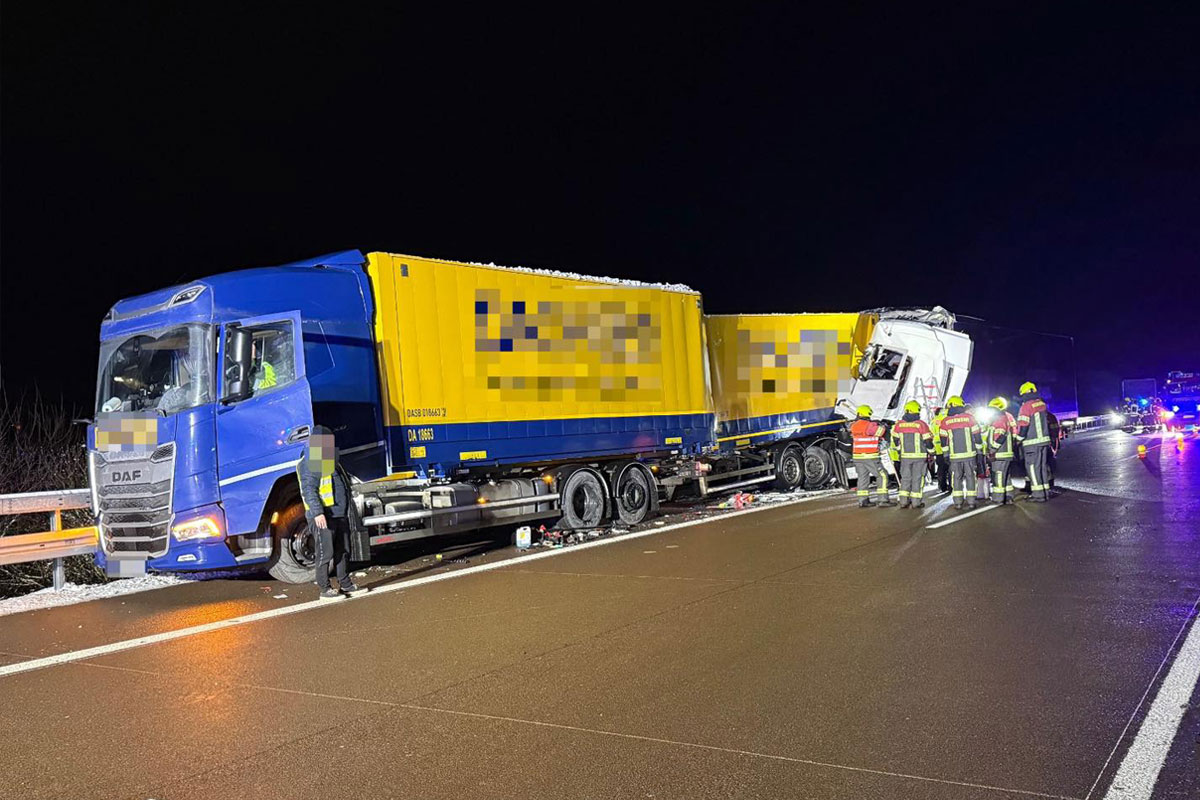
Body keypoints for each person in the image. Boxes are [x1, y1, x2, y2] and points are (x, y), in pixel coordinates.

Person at [296, 425, 362, 598]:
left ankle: (345, 583)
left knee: (343, 550)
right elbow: (309, 489)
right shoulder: (310, 461)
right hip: (324, 515)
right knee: (325, 553)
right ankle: (325, 589)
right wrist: (318, 513)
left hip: (339, 513)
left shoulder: (330, 459)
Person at [937, 395, 982, 509]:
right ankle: (971, 501)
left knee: (956, 478)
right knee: (971, 477)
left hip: (954, 456)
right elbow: (977, 436)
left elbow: (943, 441)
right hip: (970, 455)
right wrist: (979, 451)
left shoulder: (945, 421)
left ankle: (957, 502)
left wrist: (946, 455)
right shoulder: (970, 418)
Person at [890, 400, 933, 508]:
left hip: (905, 457)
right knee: (917, 479)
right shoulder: (921, 425)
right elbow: (928, 441)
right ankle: (916, 503)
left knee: (905, 479)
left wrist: (900, 450)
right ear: (917, 411)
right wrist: (932, 452)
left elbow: (895, 440)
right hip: (919, 457)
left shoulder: (899, 424)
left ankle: (903, 502)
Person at [848, 404, 892, 507]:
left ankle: (863, 501)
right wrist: (882, 426)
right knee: (882, 475)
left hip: (858, 457)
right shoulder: (869, 425)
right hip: (870, 456)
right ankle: (883, 500)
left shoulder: (854, 426)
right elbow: (881, 432)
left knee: (863, 478)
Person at [1015, 381, 1052, 502]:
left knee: (1032, 468)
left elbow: (1024, 426)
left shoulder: (1026, 406)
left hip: (1031, 443)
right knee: (1042, 467)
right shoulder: (1041, 404)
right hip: (1044, 442)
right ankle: (1045, 492)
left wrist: (1018, 440)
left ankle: (1038, 495)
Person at [986, 397, 1017, 504]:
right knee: (1006, 476)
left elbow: (1000, 436)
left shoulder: (999, 419)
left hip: (1000, 454)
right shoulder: (1004, 418)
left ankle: (998, 499)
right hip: (1005, 453)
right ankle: (1008, 497)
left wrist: (992, 450)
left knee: (998, 476)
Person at [930, 405, 950, 492]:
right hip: (948, 447)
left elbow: (931, 435)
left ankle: (942, 486)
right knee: (950, 468)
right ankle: (951, 486)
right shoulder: (947, 420)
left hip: (938, 449)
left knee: (941, 469)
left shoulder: (933, 422)